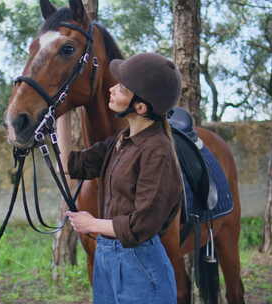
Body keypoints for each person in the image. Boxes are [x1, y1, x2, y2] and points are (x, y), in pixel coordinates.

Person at [65, 53, 183, 304]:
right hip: (106, 260)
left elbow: (140, 226)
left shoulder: (157, 151)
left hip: (139, 265)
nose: (112, 89)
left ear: (140, 107)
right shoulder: (121, 141)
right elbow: (71, 164)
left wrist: (91, 224)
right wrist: (61, 112)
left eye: (121, 88)